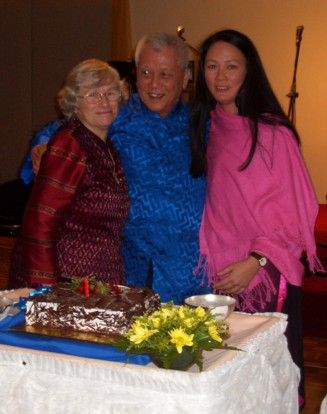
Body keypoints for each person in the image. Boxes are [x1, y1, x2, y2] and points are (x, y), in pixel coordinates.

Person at [190, 29, 324, 407]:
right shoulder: (206, 126)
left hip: (266, 275)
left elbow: (299, 210)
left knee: (268, 374)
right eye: (212, 67)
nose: (220, 76)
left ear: (249, 71)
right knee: (226, 375)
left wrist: (257, 261)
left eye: (231, 66)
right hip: (217, 275)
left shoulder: (274, 133)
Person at [9, 58, 130, 288]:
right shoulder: (70, 146)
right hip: (70, 287)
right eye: (93, 94)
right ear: (74, 103)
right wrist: (46, 293)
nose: (104, 101)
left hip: (98, 284)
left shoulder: (105, 148)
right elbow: (40, 224)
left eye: (111, 93)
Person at [110, 32, 211, 304]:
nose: (154, 84)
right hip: (134, 268)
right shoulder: (116, 118)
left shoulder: (203, 125)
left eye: (165, 74)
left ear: (185, 77)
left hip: (192, 271)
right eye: (145, 72)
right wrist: (44, 143)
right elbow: (68, 129)